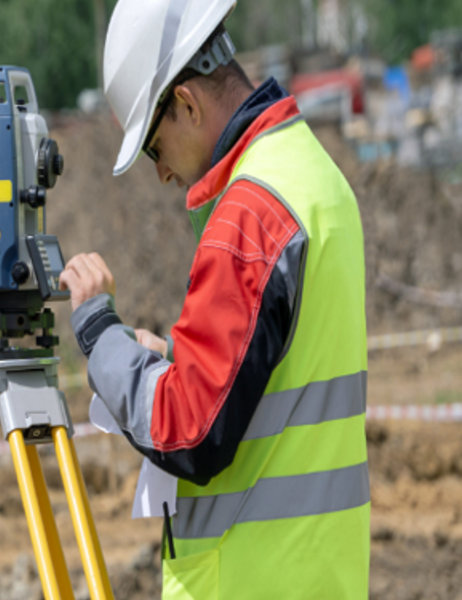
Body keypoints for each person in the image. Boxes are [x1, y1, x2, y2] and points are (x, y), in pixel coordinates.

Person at [59, 0, 369, 597]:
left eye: (153, 147)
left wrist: (102, 338)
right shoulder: (317, 178)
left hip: (250, 579)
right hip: (322, 573)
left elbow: (189, 432)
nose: (161, 174)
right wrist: (172, 362)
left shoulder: (250, 213)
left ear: (187, 104)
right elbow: (281, 375)